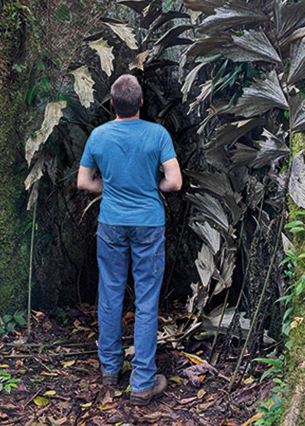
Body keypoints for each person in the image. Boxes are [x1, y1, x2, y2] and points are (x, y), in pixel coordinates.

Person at [77, 73, 182, 405]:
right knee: (146, 300)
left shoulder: (98, 136)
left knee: (110, 292)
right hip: (148, 224)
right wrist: (151, 189)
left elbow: (83, 182)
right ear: (140, 102)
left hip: (111, 222)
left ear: (112, 105)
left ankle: (110, 369)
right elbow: (174, 182)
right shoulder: (158, 134)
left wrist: (109, 189)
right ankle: (142, 383)